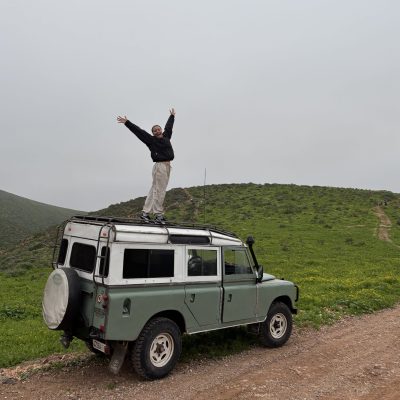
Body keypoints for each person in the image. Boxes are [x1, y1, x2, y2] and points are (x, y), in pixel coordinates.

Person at [117, 108, 176, 224]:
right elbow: (139, 131)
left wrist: (172, 116)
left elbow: (169, 127)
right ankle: (158, 215)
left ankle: (145, 213)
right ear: (153, 133)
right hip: (160, 166)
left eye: (159, 129)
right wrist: (127, 123)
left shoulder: (166, 137)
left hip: (168, 166)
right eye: (155, 130)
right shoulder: (151, 140)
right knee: (160, 190)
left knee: (155, 189)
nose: (158, 131)